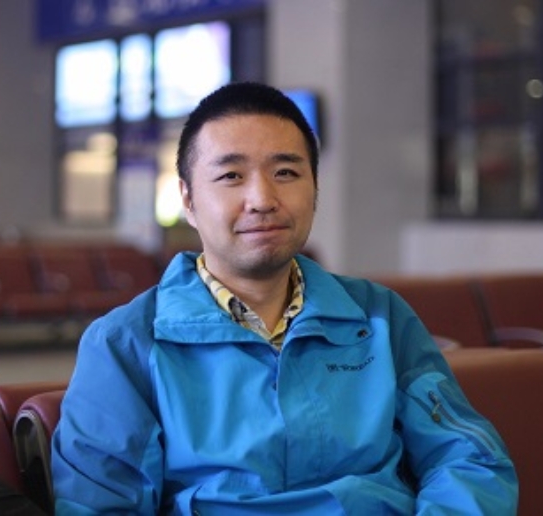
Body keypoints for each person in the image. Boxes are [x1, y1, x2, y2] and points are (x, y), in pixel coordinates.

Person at [51, 82, 518, 514]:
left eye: (286, 172)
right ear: (188, 201)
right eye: (231, 175)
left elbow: (467, 457)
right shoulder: (126, 343)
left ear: (314, 190)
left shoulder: (378, 318)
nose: (262, 198)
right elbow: (100, 504)